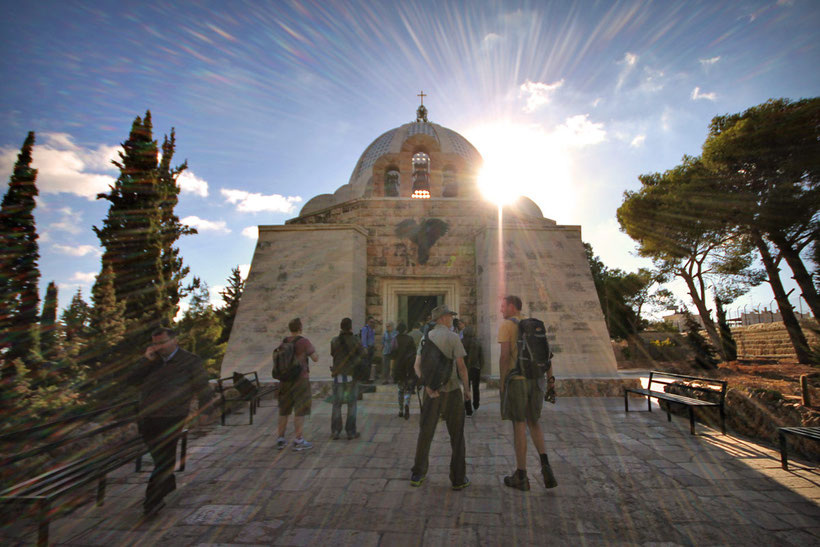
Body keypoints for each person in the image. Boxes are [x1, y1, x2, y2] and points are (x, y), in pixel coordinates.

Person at [126, 327, 216, 516]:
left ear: (175, 340)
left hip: (172, 416)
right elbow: (130, 381)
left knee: (164, 458)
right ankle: (167, 484)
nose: (159, 347)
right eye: (155, 343)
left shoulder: (190, 361)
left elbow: (203, 387)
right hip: (147, 418)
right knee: (161, 459)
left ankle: (152, 502)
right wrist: (145, 360)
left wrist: (206, 410)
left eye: (162, 342)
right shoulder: (152, 362)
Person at [498, 295, 557, 491]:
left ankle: (521, 475)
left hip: (518, 380)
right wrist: (550, 381)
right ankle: (545, 465)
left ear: (512, 307)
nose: (501, 310)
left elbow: (505, 357)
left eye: (503, 306)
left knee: (519, 424)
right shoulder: (533, 325)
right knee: (534, 422)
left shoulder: (507, 325)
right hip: (537, 380)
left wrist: (502, 382)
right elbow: (547, 355)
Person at [410, 304, 471, 490]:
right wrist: (467, 390)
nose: (451, 319)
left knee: (425, 433)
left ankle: (418, 474)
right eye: (449, 316)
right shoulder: (453, 337)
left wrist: (427, 385)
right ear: (443, 318)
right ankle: (458, 478)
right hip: (451, 391)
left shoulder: (424, 338)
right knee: (457, 436)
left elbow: (417, 366)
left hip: (431, 393)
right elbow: (461, 367)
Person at [275, 317, 318, 451]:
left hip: (285, 380)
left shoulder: (283, 342)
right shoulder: (304, 342)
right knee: (300, 410)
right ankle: (298, 440)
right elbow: (315, 358)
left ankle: (280, 439)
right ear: (300, 328)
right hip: (300, 380)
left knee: (284, 410)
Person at [330, 317, 364, 440]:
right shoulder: (356, 340)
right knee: (352, 404)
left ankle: (335, 431)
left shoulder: (334, 341)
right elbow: (362, 353)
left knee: (337, 404)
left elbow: (333, 353)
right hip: (352, 375)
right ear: (350, 327)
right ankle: (350, 431)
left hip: (338, 375)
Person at [391, 322, 417, 419]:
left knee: (400, 389)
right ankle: (407, 403)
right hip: (409, 367)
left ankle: (401, 410)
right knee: (408, 388)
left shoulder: (395, 339)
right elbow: (414, 352)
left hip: (399, 367)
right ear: (406, 330)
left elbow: (392, 354)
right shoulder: (410, 339)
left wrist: (392, 370)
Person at [461, 325, 483, 416]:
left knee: (467, 388)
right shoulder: (477, 342)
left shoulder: (462, 342)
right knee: (476, 387)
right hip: (476, 368)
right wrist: (481, 366)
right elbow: (481, 356)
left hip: (465, 368)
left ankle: (468, 409)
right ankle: (476, 404)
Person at [360, 316, 376, 382]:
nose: (372, 323)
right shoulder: (365, 329)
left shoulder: (372, 329)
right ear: (367, 322)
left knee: (369, 363)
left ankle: (368, 378)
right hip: (367, 348)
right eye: (371, 322)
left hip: (371, 348)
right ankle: (364, 378)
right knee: (366, 364)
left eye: (373, 322)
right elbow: (363, 339)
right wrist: (365, 348)